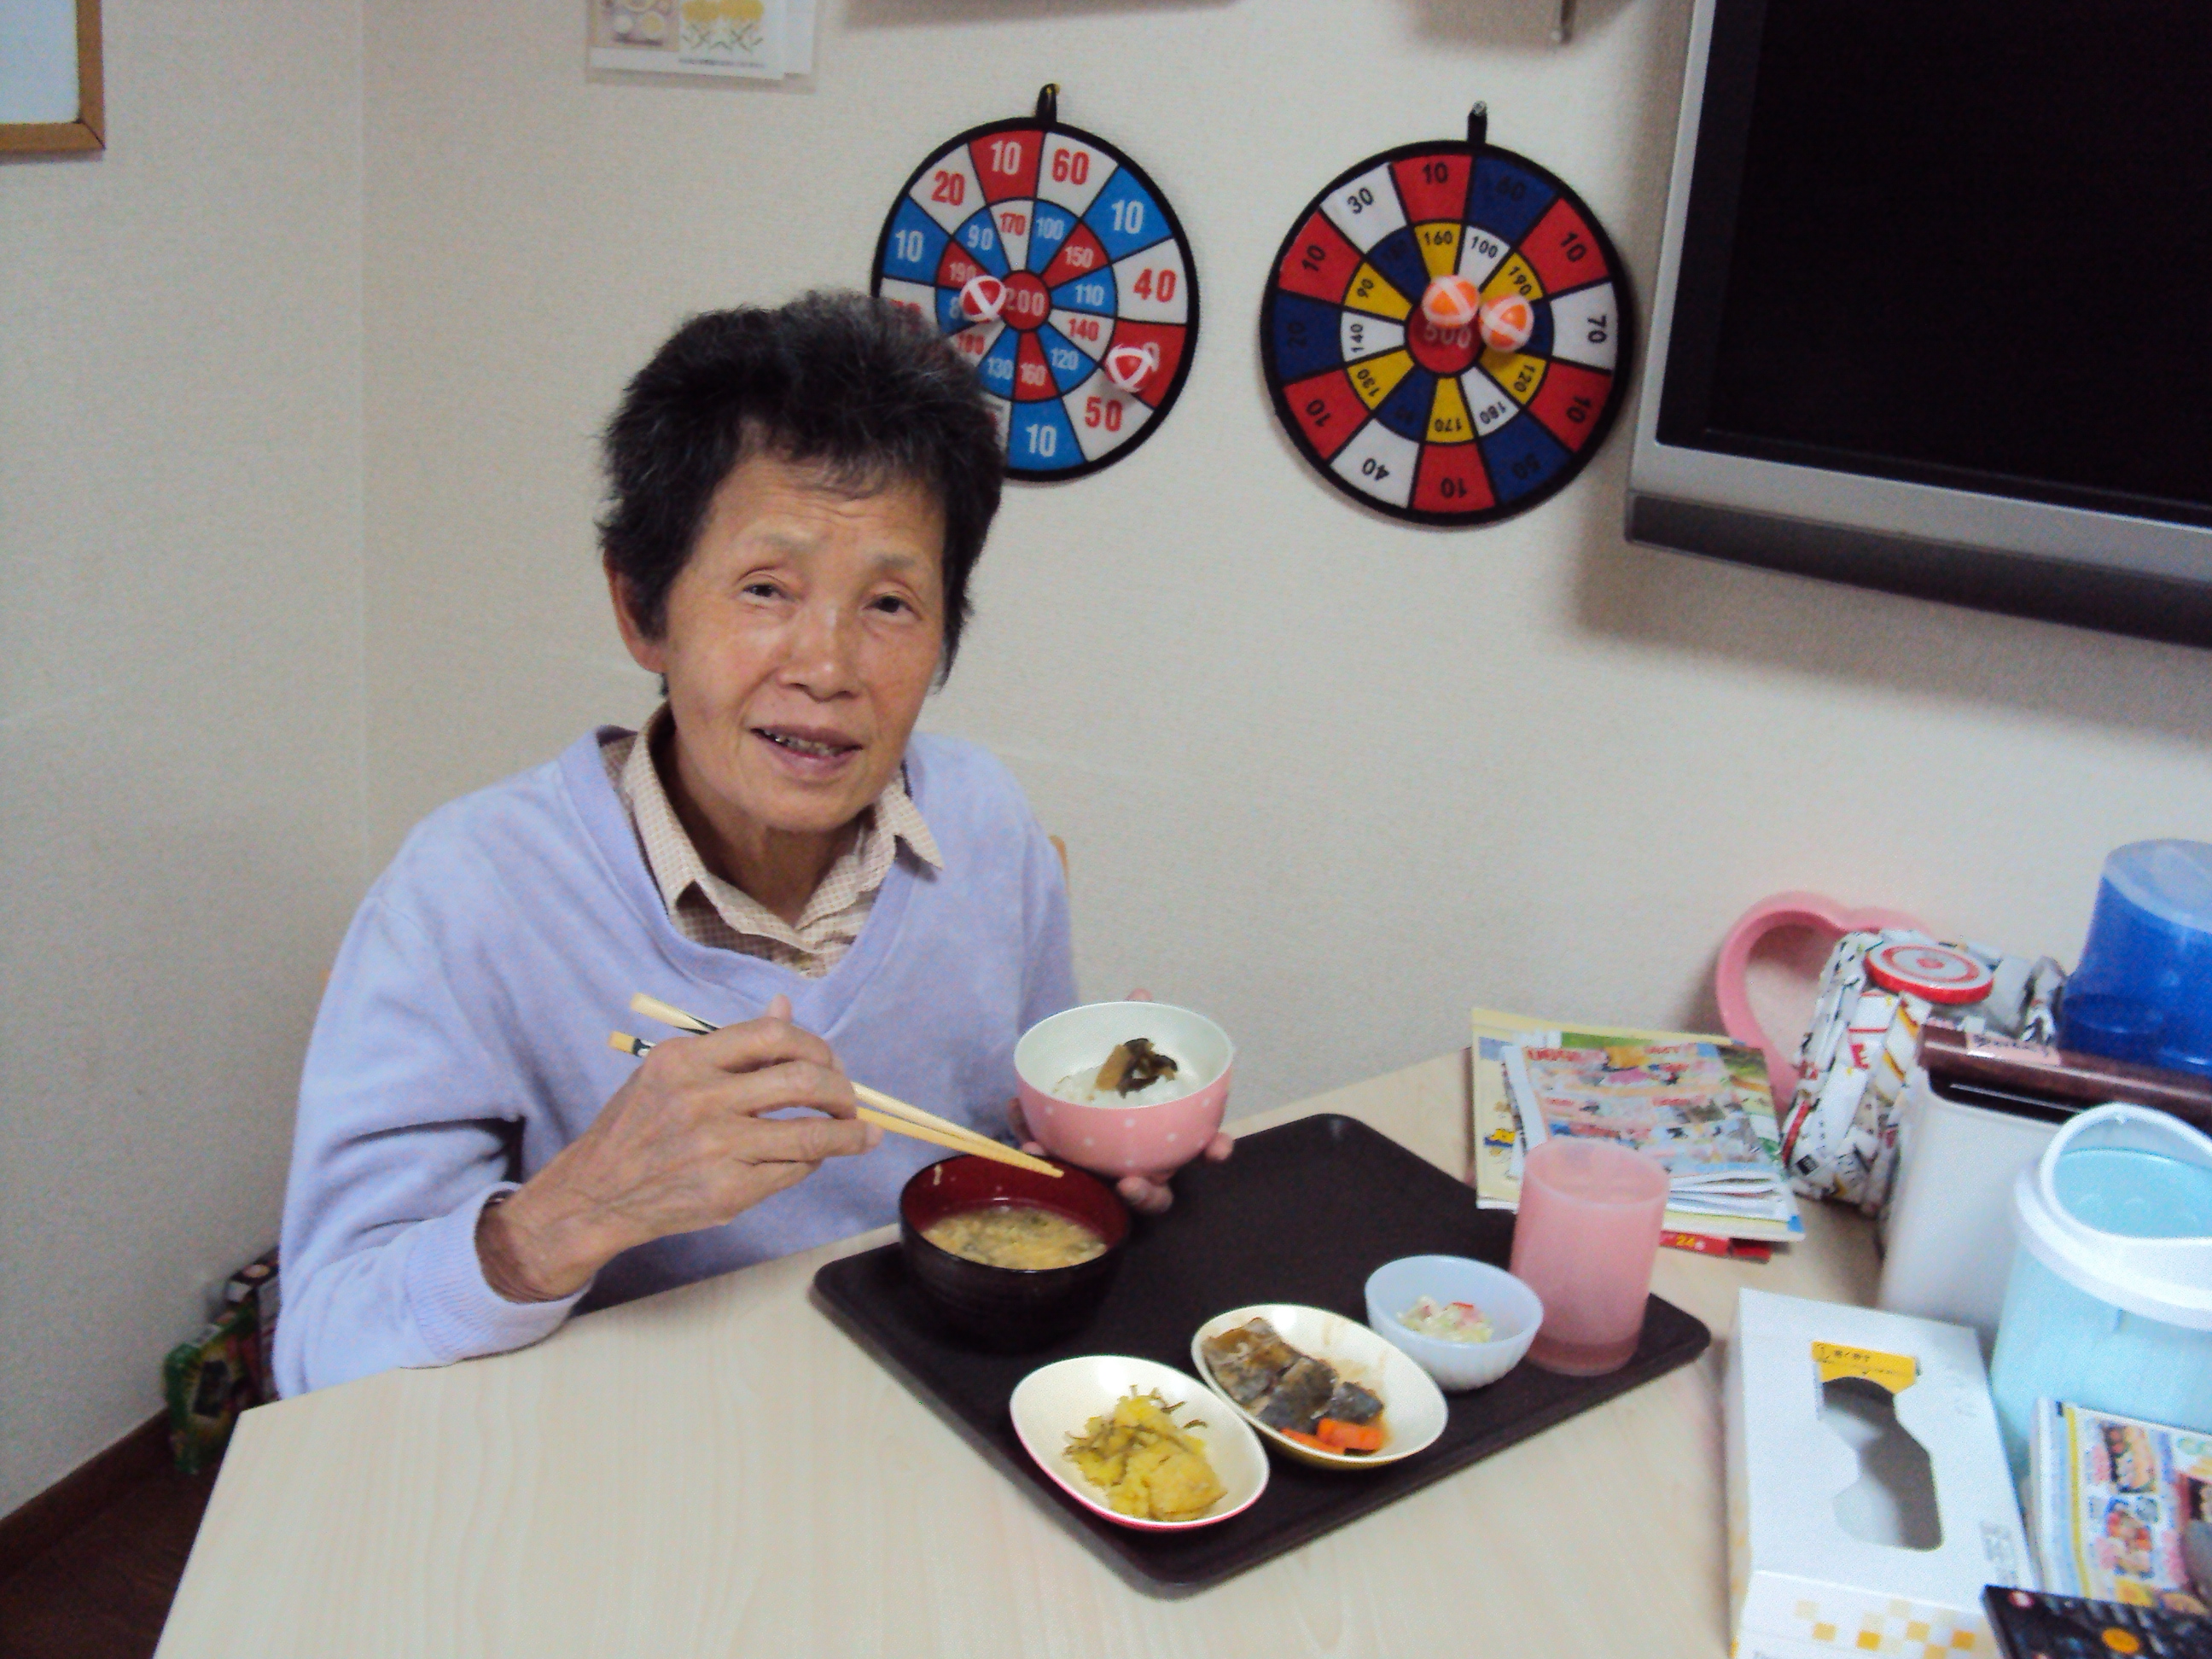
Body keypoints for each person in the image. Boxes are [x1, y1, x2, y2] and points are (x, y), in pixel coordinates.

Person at [277, 293, 1227, 1397]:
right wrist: (570, 1215)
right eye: (767, 589)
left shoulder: (985, 825)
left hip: (933, 1403)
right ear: (643, 608)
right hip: (632, 1446)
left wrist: (1096, 1154)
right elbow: (320, 1349)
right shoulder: (465, 897)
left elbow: (1012, 1147)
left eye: (889, 604)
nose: (826, 668)